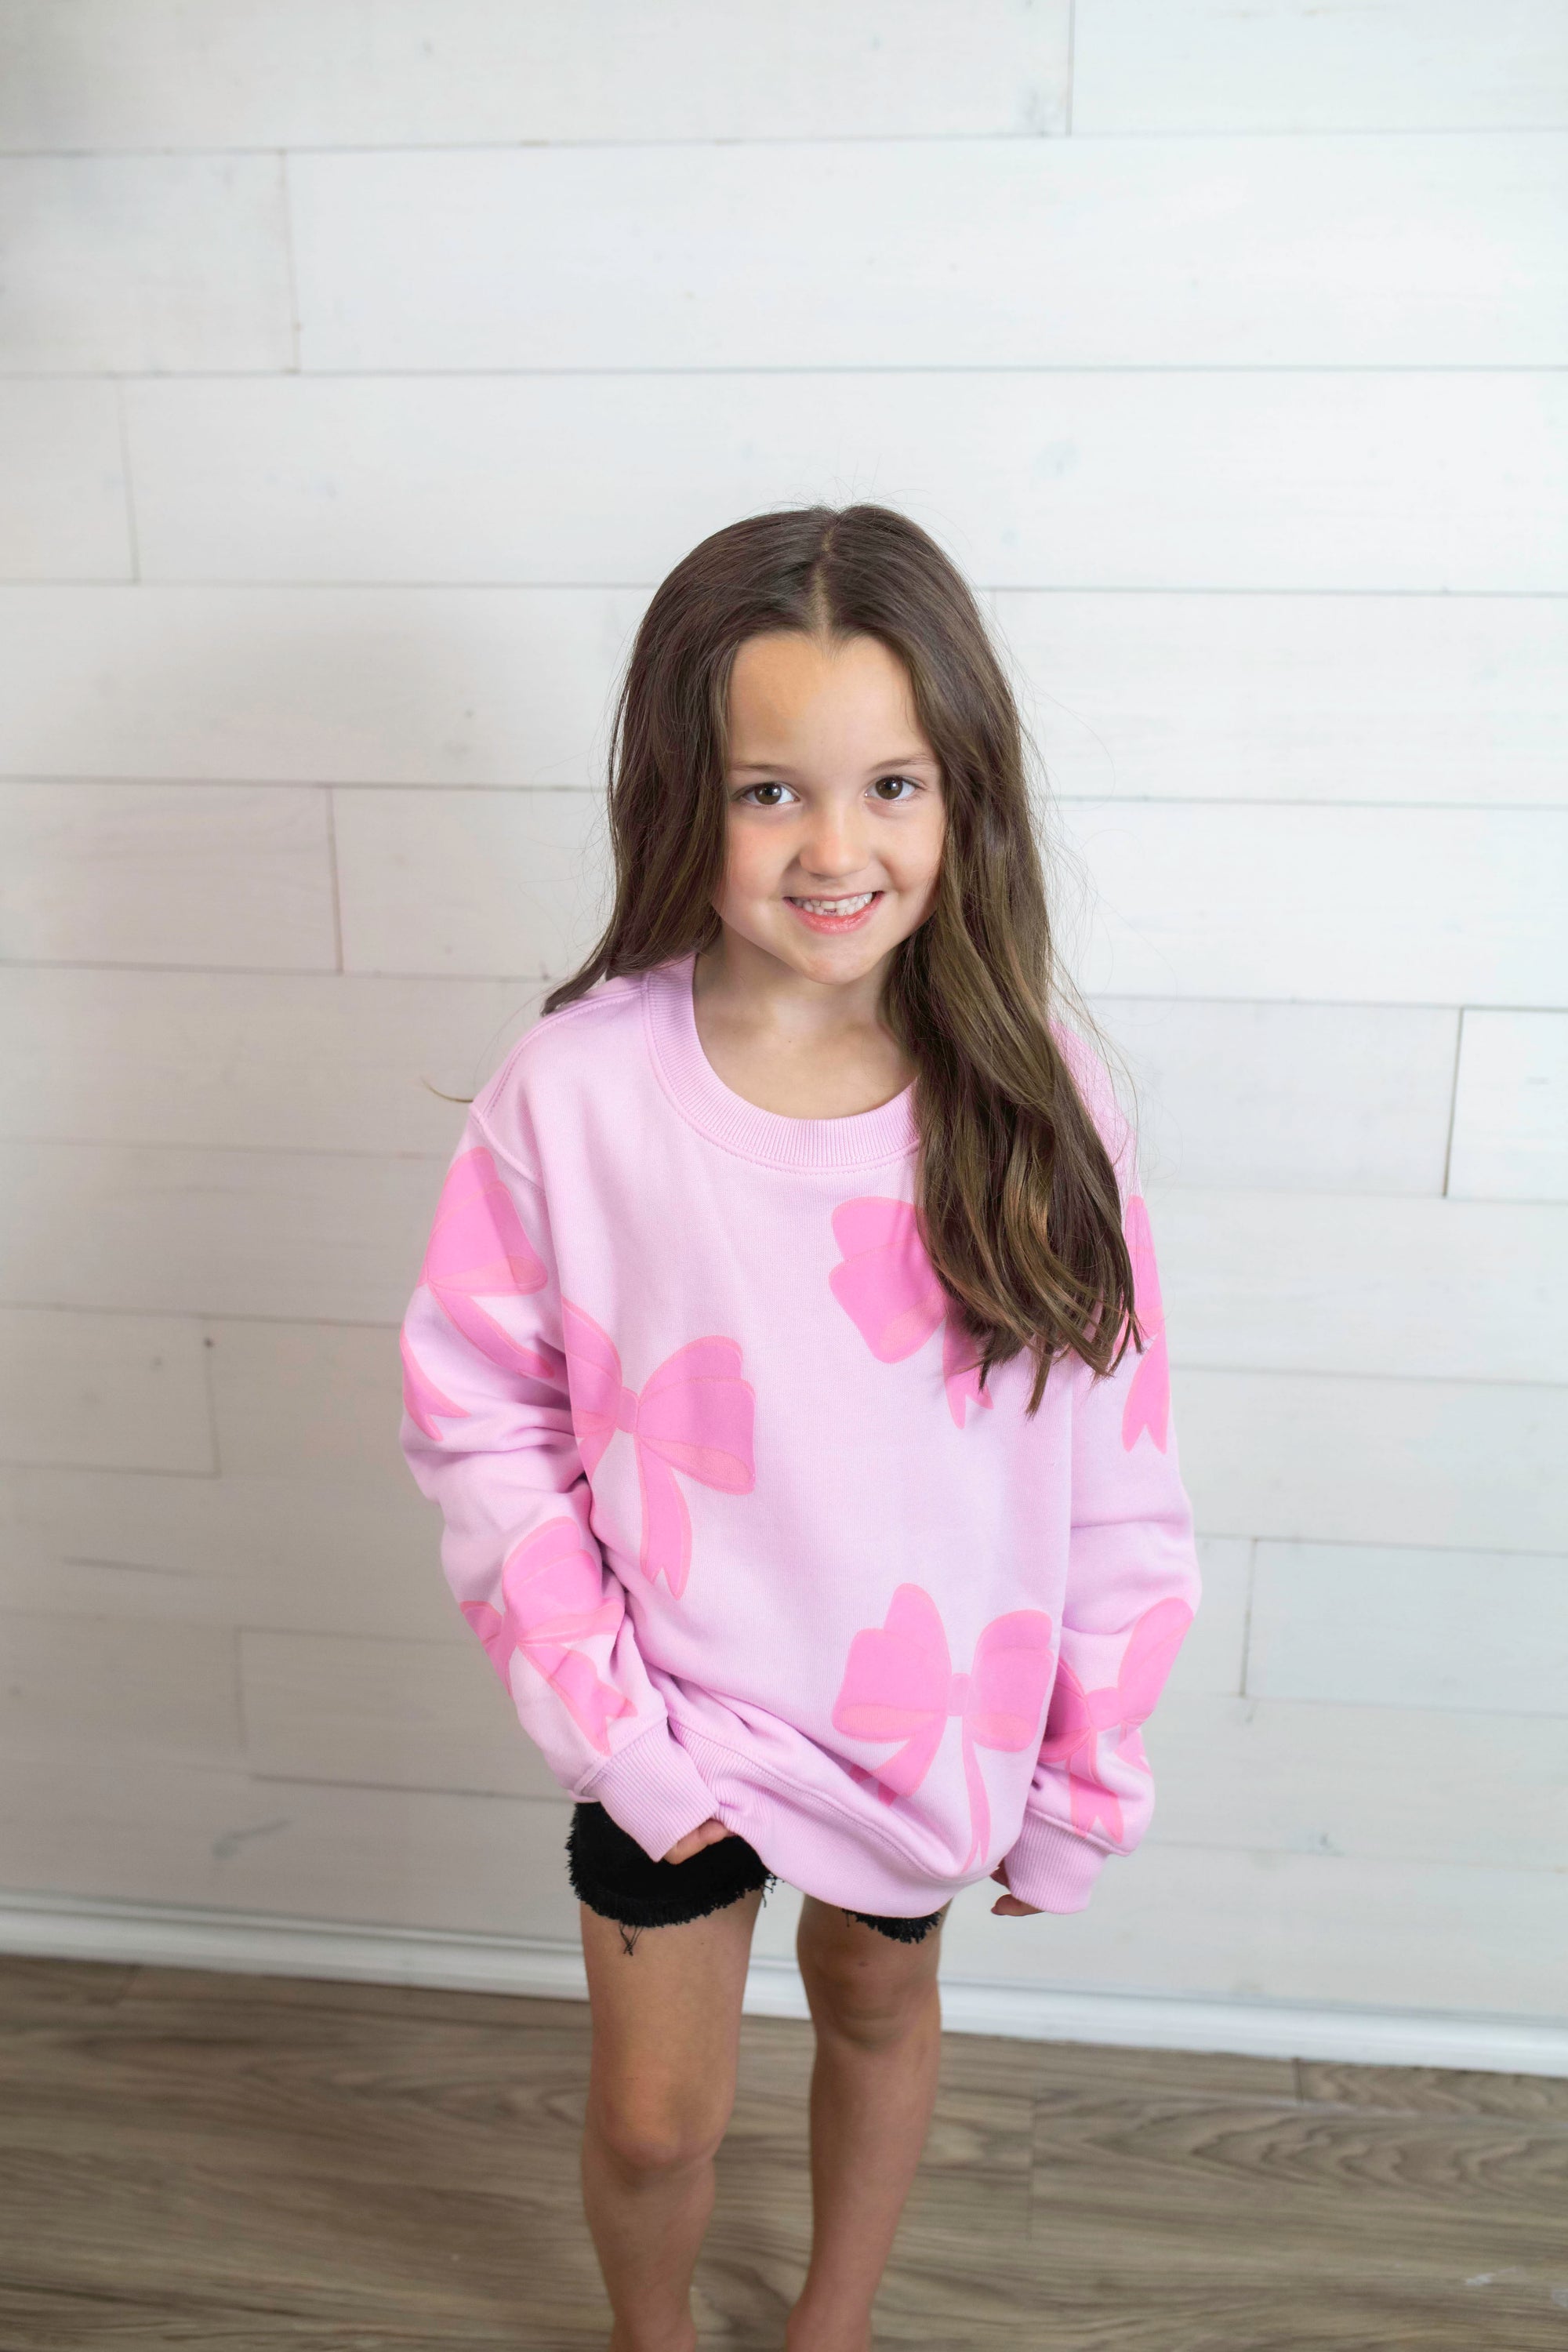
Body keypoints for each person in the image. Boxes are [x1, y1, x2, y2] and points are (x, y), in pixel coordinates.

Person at [397, 503, 1201, 2352]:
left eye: (890, 785)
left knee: (875, 2006)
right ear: (687, 796)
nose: (836, 851)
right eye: (773, 793)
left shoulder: (1034, 1098)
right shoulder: (576, 1090)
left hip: (921, 1712)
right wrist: (612, 1727)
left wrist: (1085, 1771)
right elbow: (483, 1418)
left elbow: (1114, 1461)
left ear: (963, 793)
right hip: (670, 1711)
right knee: (652, 2116)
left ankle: (830, 2328)